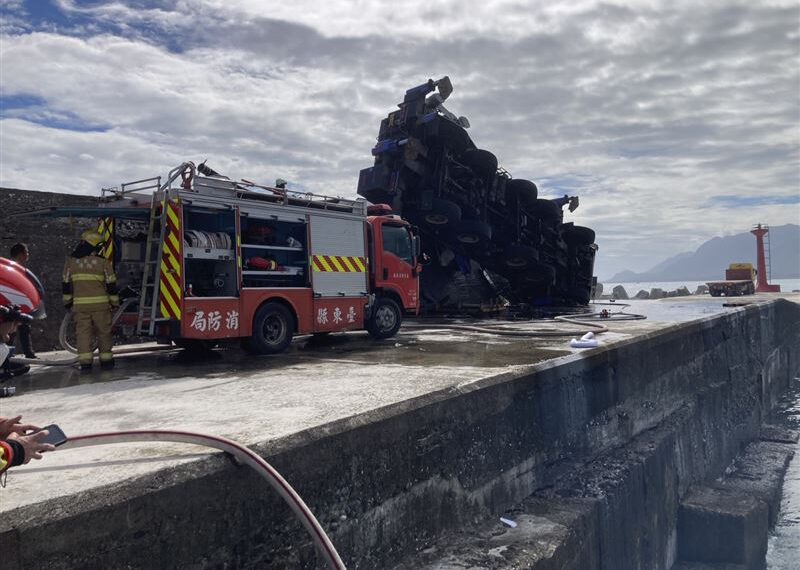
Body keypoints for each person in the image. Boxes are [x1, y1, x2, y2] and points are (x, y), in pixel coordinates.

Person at [63, 230, 119, 371]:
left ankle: (86, 363)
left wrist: (68, 303)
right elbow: (111, 285)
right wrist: (115, 303)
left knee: (83, 334)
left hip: (80, 307)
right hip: (101, 306)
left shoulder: (71, 262)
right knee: (104, 332)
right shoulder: (103, 262)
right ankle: (106, 362)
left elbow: (65, 284)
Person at [8, 243, 36, 358]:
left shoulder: (19, 269)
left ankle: (28, 353)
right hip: (13, 303)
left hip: (21, 302)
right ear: (21, 254)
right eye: (27, 252)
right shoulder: (12, 269)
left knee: (23, 328)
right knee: (11, 329)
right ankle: (8, 355)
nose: (28, 254)